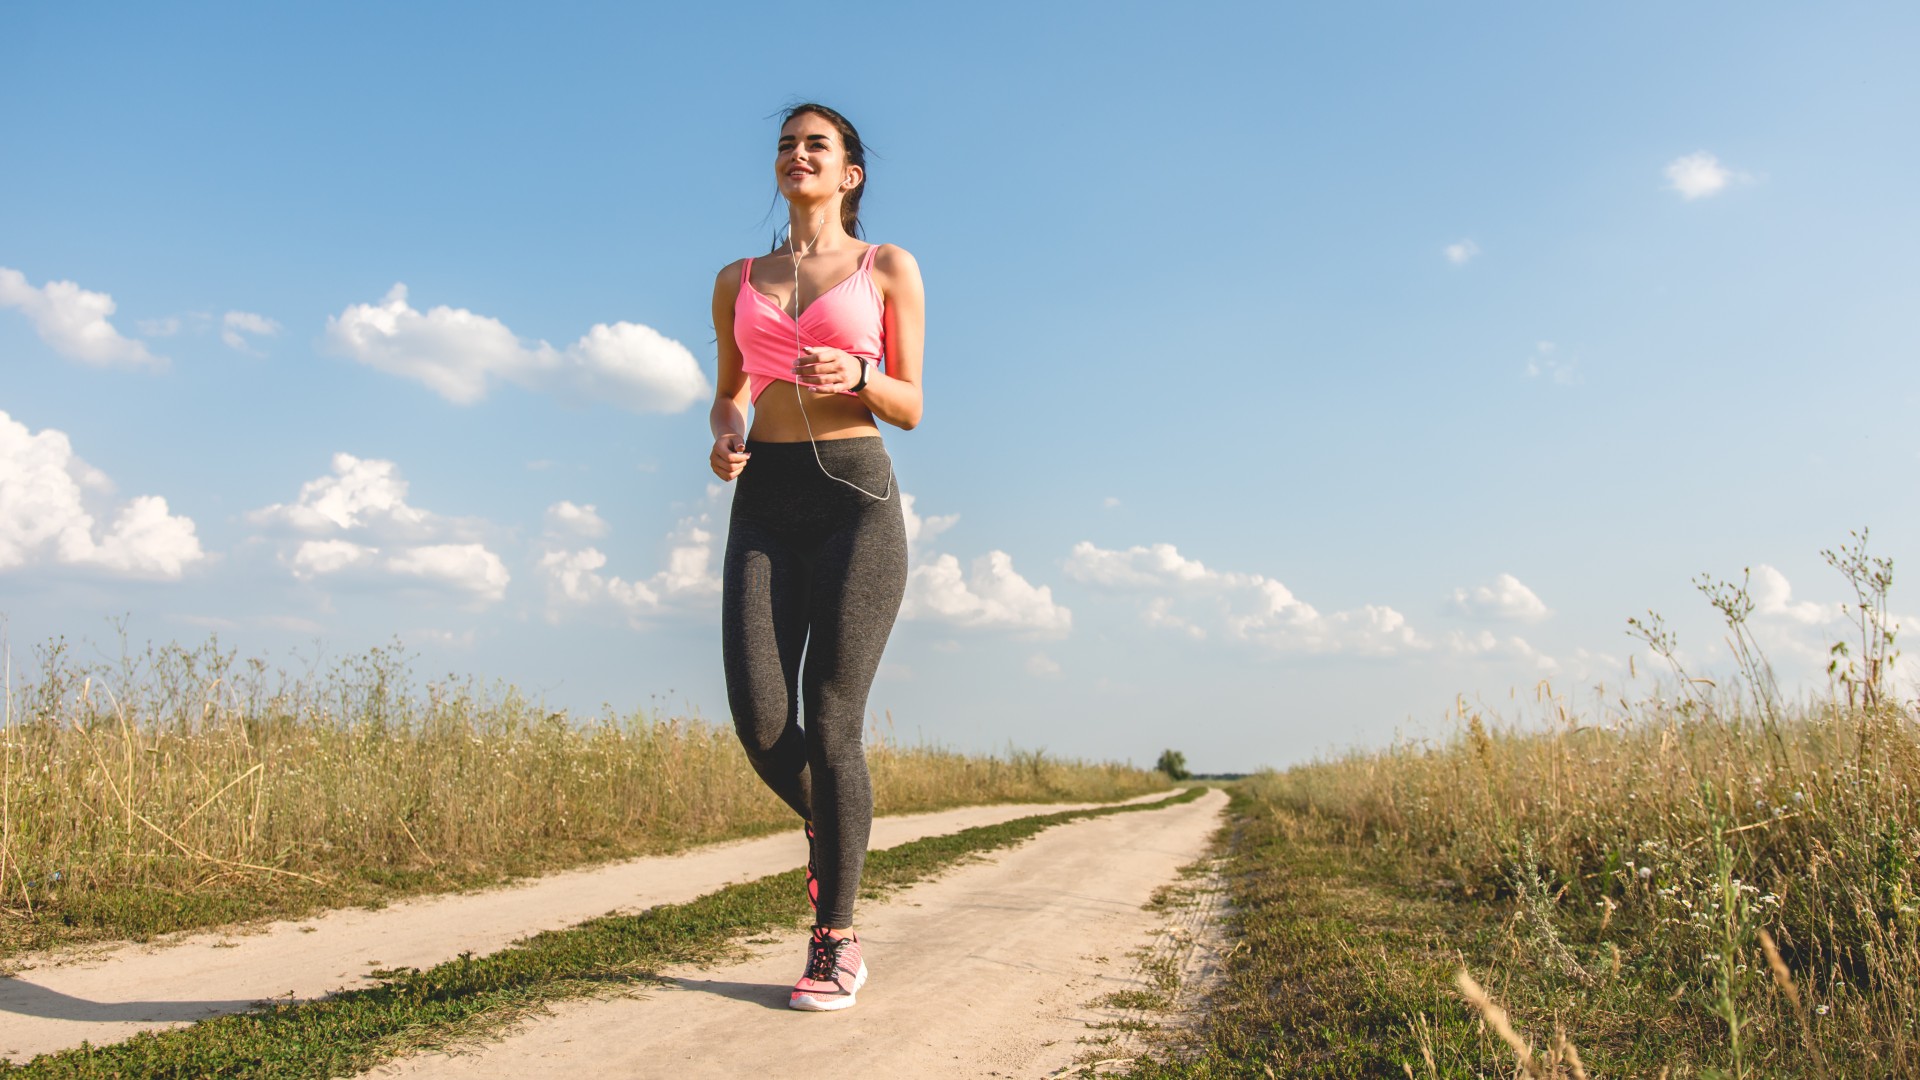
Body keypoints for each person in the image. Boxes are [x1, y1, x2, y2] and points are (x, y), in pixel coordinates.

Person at [707, 102, 925, 1012]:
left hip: (855, 500)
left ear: (850, 174)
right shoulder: (737, 278)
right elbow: (729, 394)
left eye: (818, 146)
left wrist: (863, 377)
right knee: (763, 721)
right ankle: (841, 823)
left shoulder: (887, 267)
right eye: (788, 145)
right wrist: (723, 436)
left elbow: (912, 403)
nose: (798, 155)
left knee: (832, 718)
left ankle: (835, 940)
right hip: (766, 501)